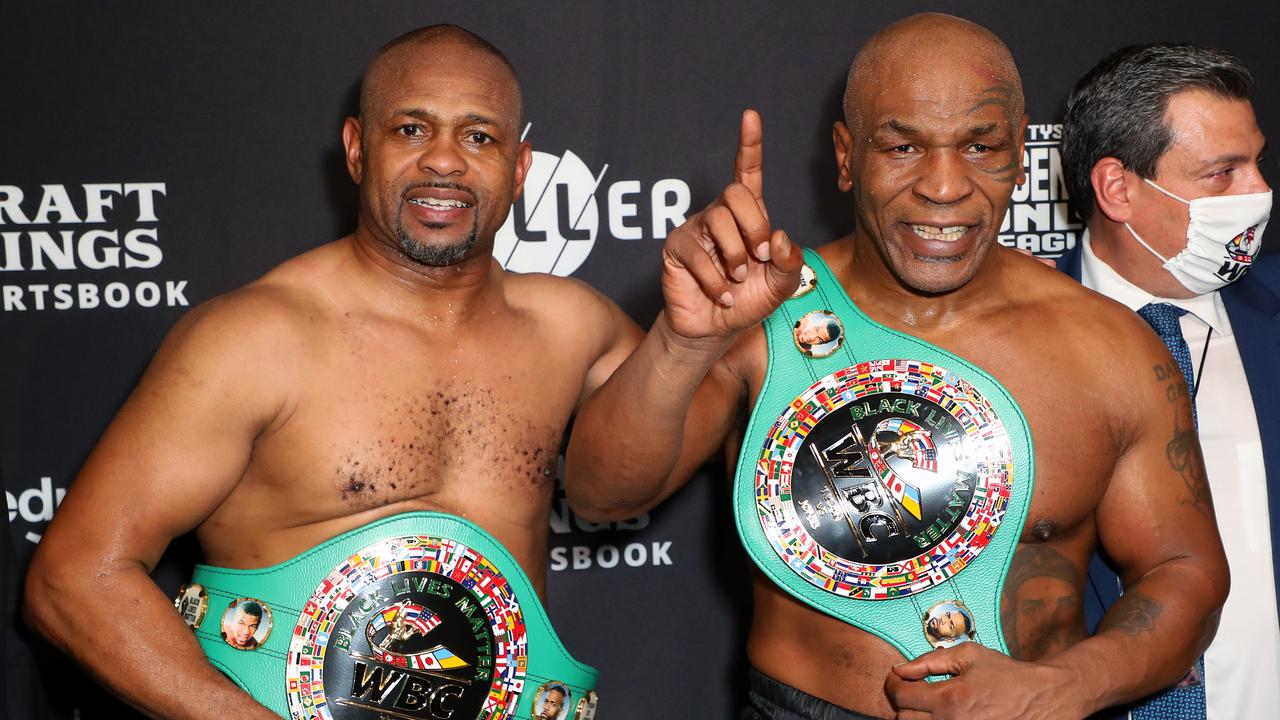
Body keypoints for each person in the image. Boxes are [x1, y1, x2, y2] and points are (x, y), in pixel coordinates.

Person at [566, 13, 1230, 719]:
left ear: (1021, 151)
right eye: (904, 146)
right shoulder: (761, 319)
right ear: (847, 157)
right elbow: (602, 495)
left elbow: (1183, 572)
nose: (944, 186)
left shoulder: (1107, 345)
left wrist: (1063, 686)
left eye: (980, 145)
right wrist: (684, 340)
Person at [24, 24, 638, 719]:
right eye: (411, 129)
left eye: (479, 137)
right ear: (356, 148)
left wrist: (697, 336)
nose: (445, 161)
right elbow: (74, 578)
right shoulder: (254, 338)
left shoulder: (571, 326)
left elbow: (665, 450)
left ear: (520, 168)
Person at [1058, 42, 1276, 718]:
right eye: (1223, 172)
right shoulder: (1015, 342)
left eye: (1258, 160)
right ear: (1117, 189)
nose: (1259, 191)